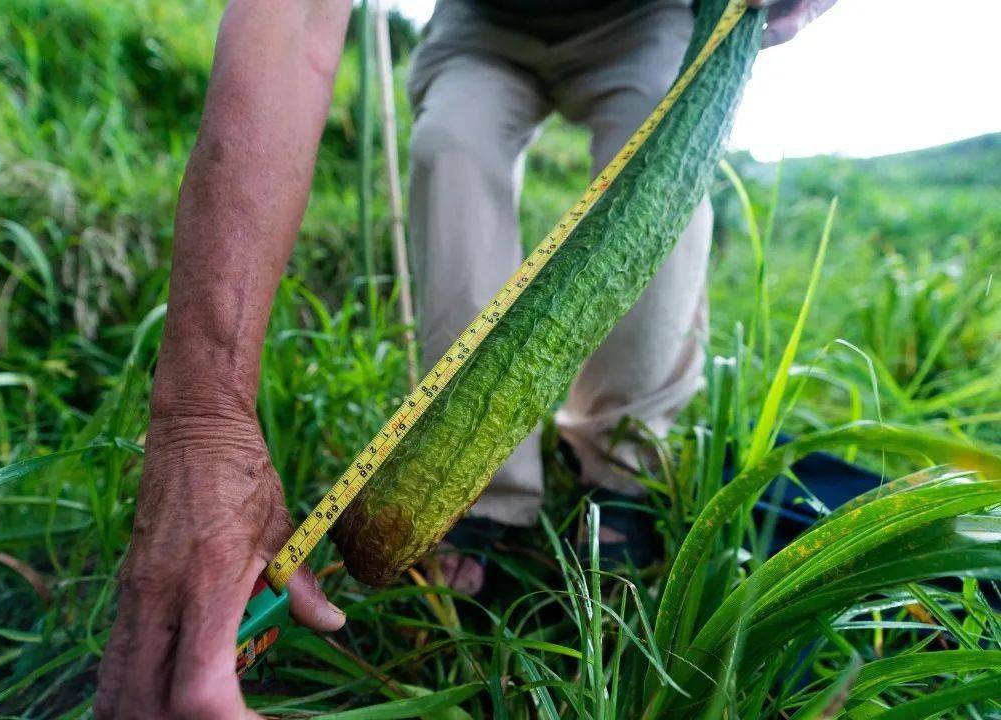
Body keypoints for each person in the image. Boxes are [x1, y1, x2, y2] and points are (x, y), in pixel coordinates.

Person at [94, 1, 836, 717]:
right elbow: (290, 18)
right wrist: (202, 420)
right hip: (485, 20)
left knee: (664, 176)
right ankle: (486, 499)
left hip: (645, 18)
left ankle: (622, 473)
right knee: (449, 147)